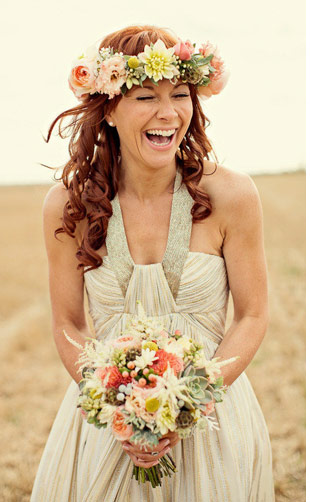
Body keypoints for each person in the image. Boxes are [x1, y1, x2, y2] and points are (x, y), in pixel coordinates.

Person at [31, 24, 275, 501]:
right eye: (145, 96)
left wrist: (183, 402)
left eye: (180, 94)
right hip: (105, 429)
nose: (169, 113)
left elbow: (252, 315)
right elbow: (68, 323)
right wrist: (121, 408)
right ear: (108, 109)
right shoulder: (68, 205)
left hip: (212, 422)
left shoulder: (233, 195)